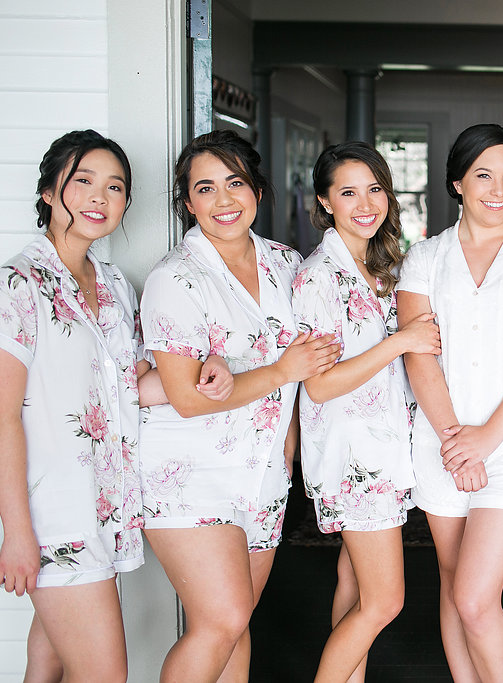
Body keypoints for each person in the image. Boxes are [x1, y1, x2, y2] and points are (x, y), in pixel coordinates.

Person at [138, 130, 340, 682]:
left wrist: (293, 447)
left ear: (257, 189)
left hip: (263, 472)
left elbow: (311, 359)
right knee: (220, 620)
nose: (224, 200)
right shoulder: (174, 279)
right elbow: (184, 397)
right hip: (188, 472)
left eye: (235, 183)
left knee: (237, 622)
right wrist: (280, 372)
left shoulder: (285, 263)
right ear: (188, 202)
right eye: (206, 188)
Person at [396, 123, 503, 683]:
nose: (499, 189)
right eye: (484, 175)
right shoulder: (424, 257)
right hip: (441, 443)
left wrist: (485, 442)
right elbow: (418, 354)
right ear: (457, 183)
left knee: (476, 597)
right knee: (453, 588)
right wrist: (457, 441)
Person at [0, 130, 143, 682]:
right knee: (104, 675)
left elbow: (131, 384)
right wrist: (17, 531)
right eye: (83, 181)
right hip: (54, 516)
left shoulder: (115, 286)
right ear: (49, 191)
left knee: (48, 660)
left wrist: (211, 375)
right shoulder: (17, 284)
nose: (100, 196)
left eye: (115, 186)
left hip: (104, 503)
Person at [292, 141, 441, 683]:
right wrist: (400, 340)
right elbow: (321, 385)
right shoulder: (318, 278)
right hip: (354, 456)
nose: (364, 203)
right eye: (348, 192)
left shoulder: (381, 267)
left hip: (382, 449)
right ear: (326, 202)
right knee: (385, 601)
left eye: (374, 188)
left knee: (355, 586)